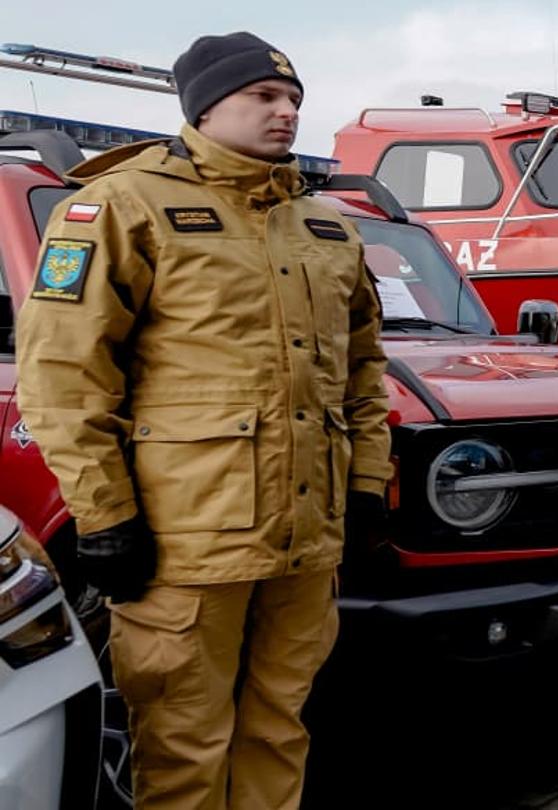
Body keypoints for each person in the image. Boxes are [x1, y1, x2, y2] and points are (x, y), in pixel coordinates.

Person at [15, 33, 391, 808]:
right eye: (263, 97)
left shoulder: (326, 226)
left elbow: (362, 373)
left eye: (292, 100)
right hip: (184, 540)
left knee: (280, 728)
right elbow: (62, 372)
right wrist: (105, 517)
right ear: (206, 105)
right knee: (183, 744)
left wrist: (366, 483)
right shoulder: (120, 205)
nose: (285, 112)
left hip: (303, 539)